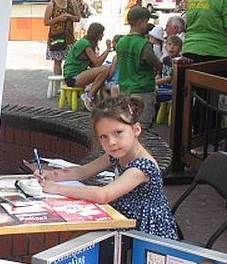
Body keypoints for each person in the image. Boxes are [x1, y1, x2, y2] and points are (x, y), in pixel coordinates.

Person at [35, 95, 178, 240]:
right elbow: (84, 171)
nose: (112, 142)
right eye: (104, 137)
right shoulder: (117, 155)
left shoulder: (142, 167)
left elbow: (104, 195)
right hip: (122, 222)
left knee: (79, 241)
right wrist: (52, 175)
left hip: (146, 236)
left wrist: (57, 188)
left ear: (136, 129)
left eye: (118, 133)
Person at [115, 6, 161, 129]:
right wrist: (160, 66)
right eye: (147, 22)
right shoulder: (143, 44)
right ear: (141, 23)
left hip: (125, 89)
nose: (148, 25)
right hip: (143, 91)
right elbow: (154, 62)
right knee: (142, 127)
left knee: (127, 124)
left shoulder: (121, 42)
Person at [62, 22, 113, 112]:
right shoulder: (85, 43)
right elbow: (97, 63)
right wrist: (108, 49)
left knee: (104, 72)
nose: (102, 35)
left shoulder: (87, 43)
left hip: (77, 75)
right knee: (106, 69)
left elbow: (94, 65)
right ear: (98, 34)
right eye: (102, 33)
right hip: (73, 76)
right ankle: (89, 95)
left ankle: (100, 99)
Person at [44, 0, 80, 75]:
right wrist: (58, 18)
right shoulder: (52, 5)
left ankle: (67, 81)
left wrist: (70, 17)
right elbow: (46, 22)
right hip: (56, 37)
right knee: (57, 61)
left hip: (69, 38)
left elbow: (78, 18)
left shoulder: (72, 2)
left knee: (70, 61)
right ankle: (57, 84)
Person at [156, 35, 183, 103]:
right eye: (169, 44)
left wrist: (152, 83)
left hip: (173, 89)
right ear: (165, 47)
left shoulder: (179, 62)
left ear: (180, 49)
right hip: (162, 87)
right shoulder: (165, 60)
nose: (172, 47)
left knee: (153, 94)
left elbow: (169, 78)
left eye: (175, 45)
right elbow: (159, 75)